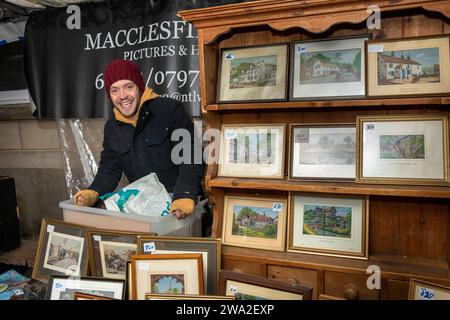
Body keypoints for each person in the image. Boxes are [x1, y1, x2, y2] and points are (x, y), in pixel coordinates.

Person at [73, 59, 205, 219]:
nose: (122, 96)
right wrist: (93, 191)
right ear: (109, 95)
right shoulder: (112, 127)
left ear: (139, 87)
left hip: (180, 204)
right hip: (146, 208)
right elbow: (109, 169)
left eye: (128, 87)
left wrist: (184, 193)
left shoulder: (169, 110)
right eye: (114, 90)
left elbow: (190, 154)